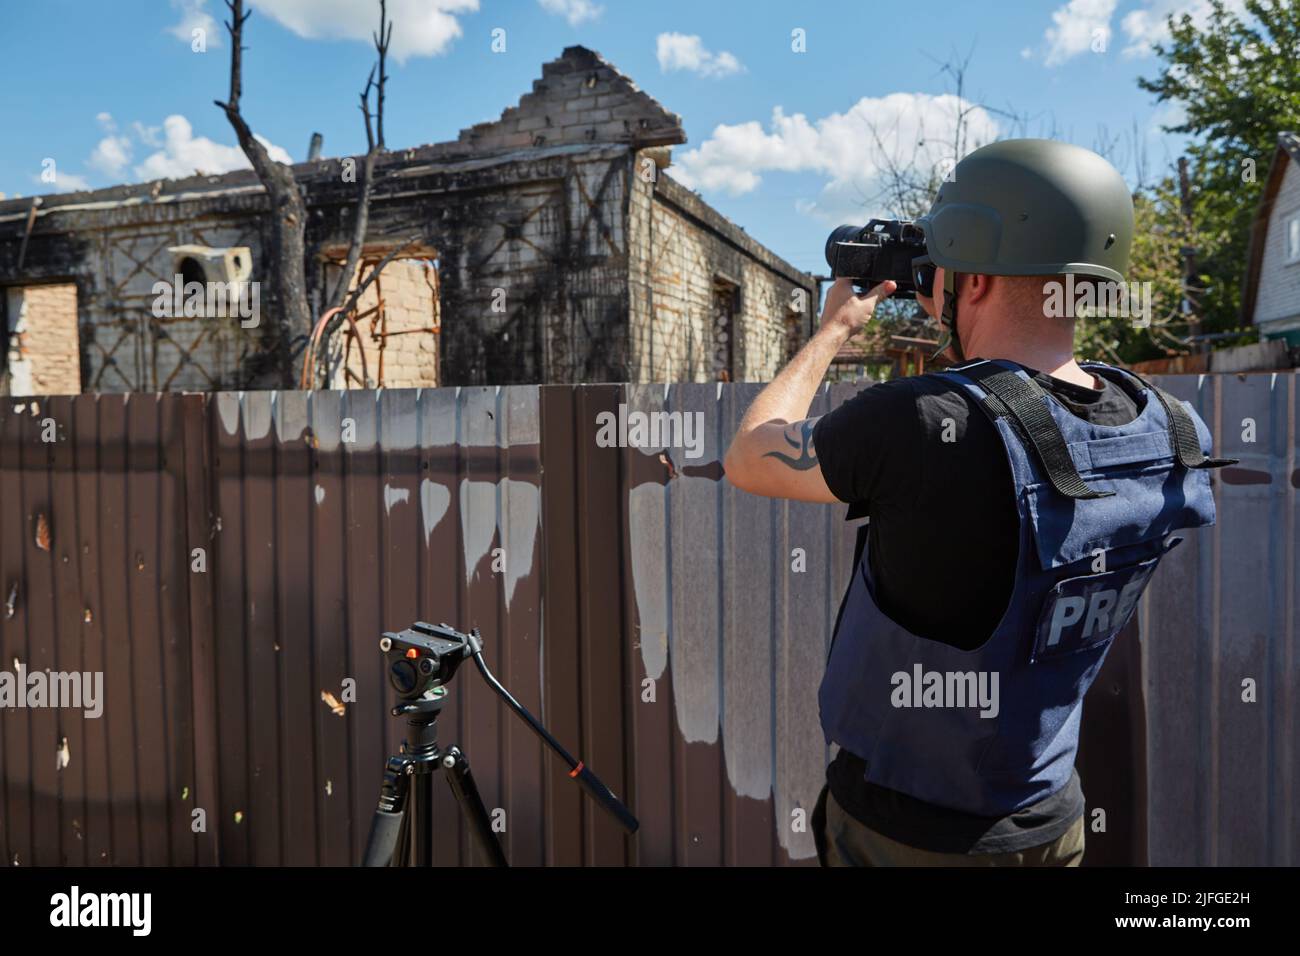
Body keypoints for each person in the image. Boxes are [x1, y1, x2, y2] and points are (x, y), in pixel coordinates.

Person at [722, 139, 1233, 866]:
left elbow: (750, 455)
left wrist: (833, 330)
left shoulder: (924, 420)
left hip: (908, 833)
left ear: (980, 276)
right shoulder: (1170, 427)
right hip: (1050, 818)